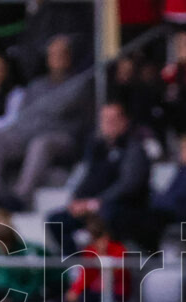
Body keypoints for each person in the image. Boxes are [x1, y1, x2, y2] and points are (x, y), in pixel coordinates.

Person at [0, 35, 94, 206]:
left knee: (40, 143)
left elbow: (58, 107)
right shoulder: (37, 85)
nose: (56, 58)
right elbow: (23, 115)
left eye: (61, 54)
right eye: (52, 54)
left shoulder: (79, 82)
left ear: (69, 56)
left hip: (63, 138)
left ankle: (20, 196)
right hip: (29, 133)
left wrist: (37, 112)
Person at [46, 101, 150, 256]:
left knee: (108, 215)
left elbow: (128, 185)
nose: (108, 124)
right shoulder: (97, 148)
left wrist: (95, 202)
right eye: (105, 119)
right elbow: (86, 176)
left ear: (124, 121)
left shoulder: (134, 149)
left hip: (121, 208)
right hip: (93, 206)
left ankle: (114, 263)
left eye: (113, 119)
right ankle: (76, 263)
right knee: (56, 221)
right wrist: (77, 199)